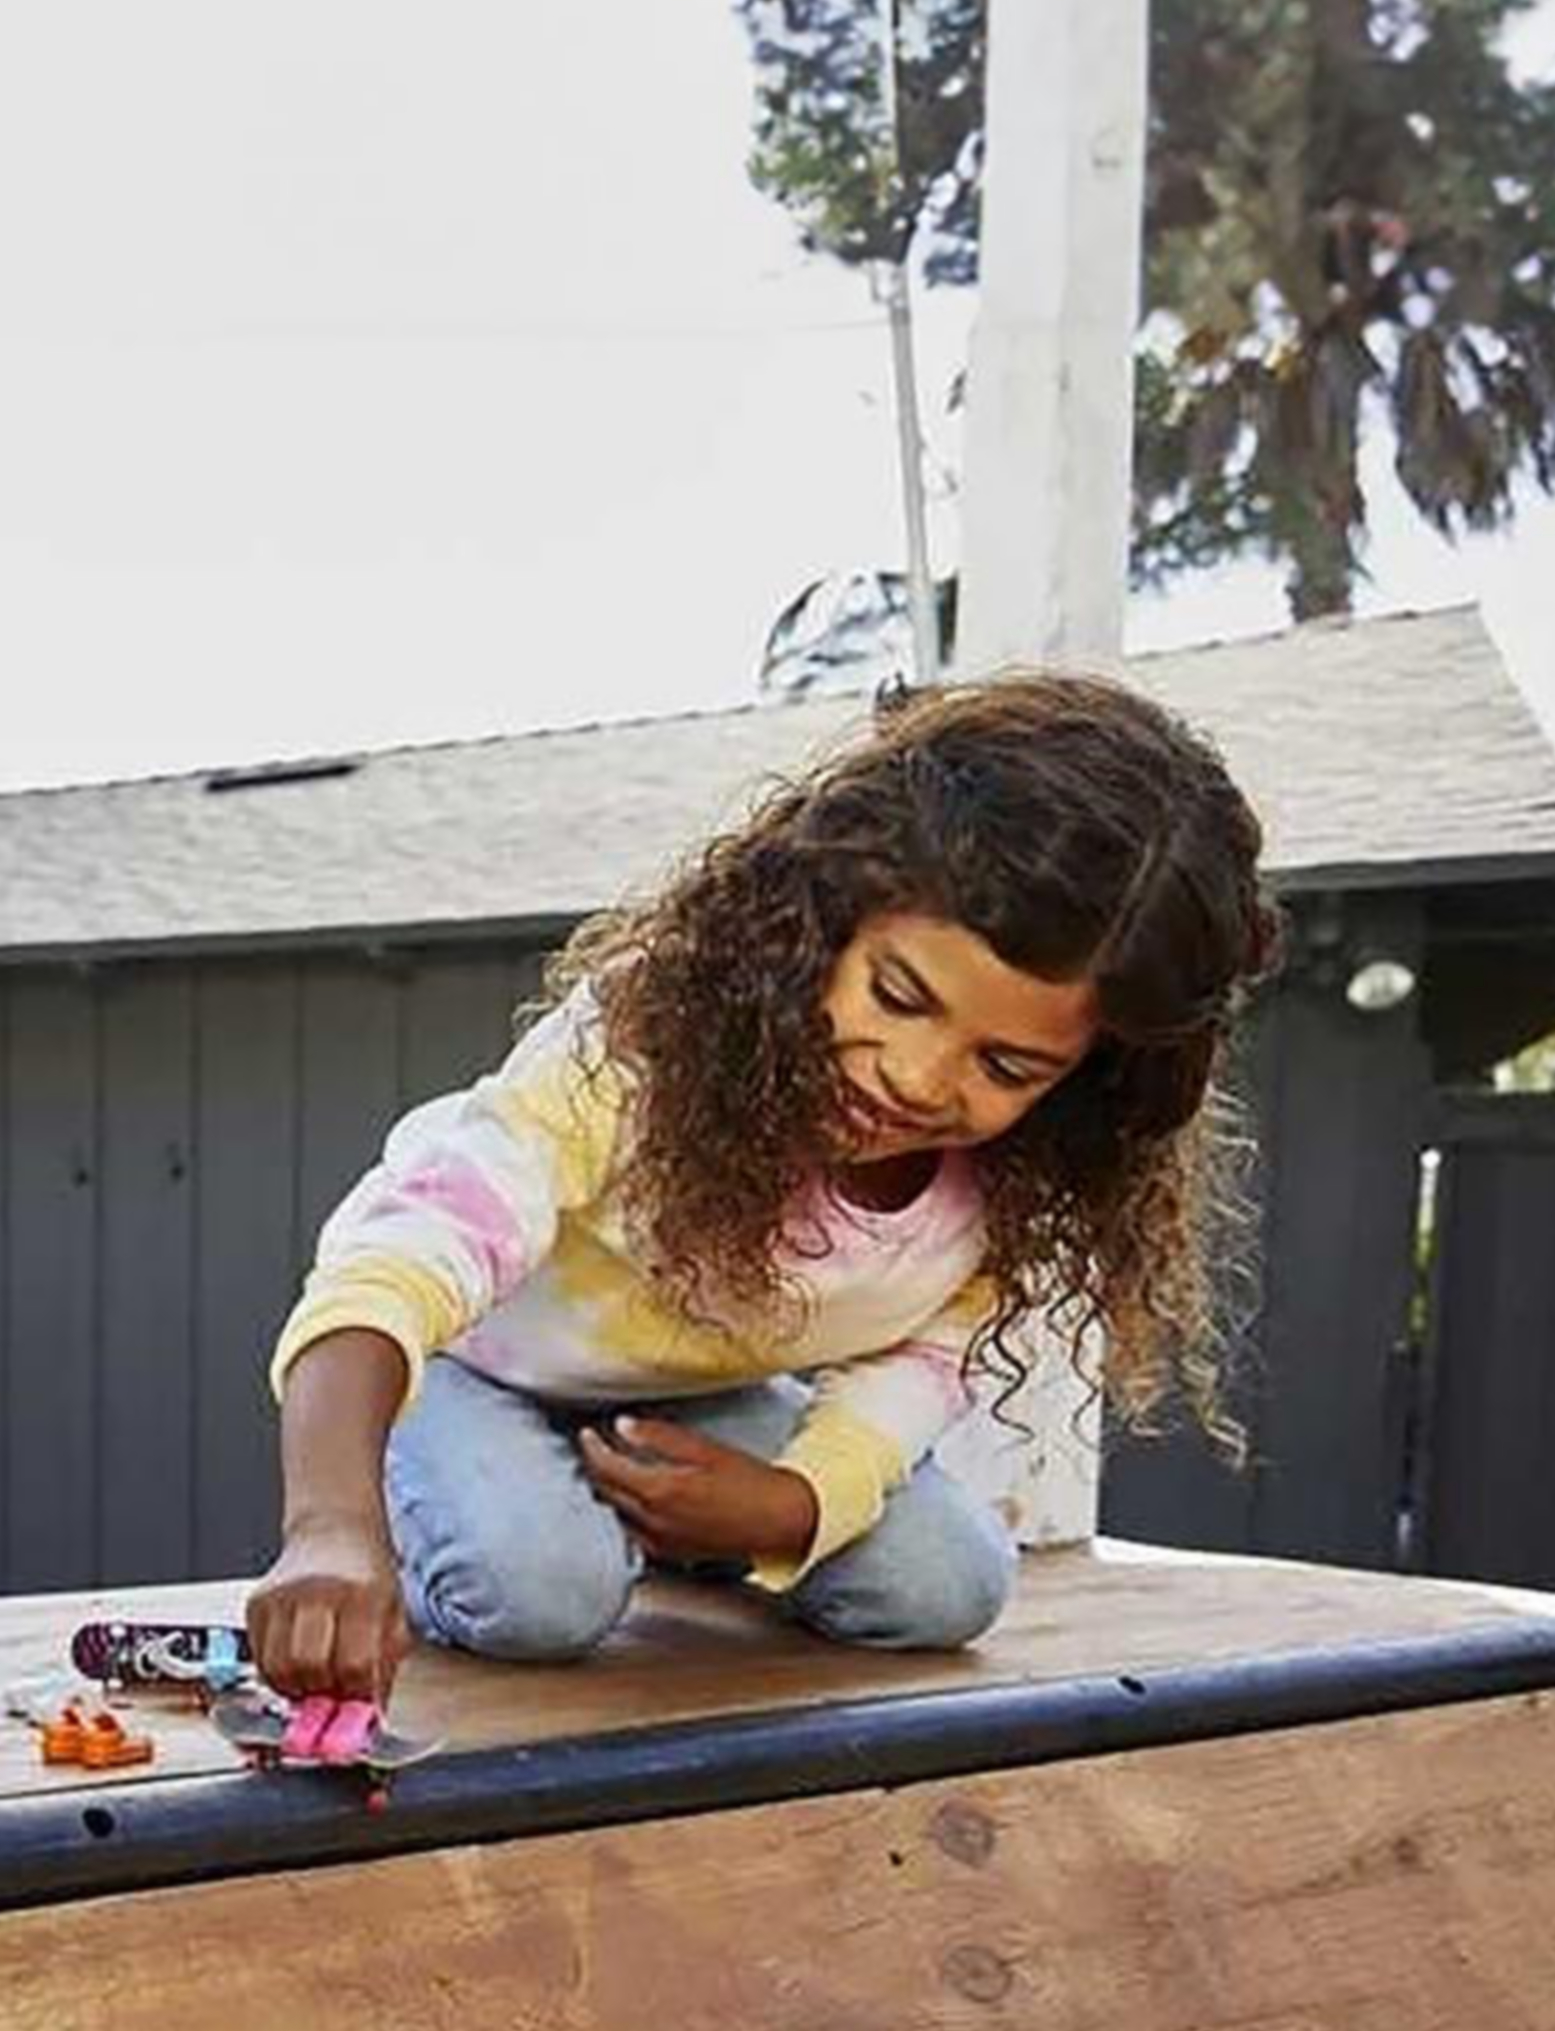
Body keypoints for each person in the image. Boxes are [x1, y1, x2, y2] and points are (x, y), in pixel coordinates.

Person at [250, 669, 1277, 1703]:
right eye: (898, 994)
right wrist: (332, 1528)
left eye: (1006, 1068)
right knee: (542, 1594)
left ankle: (663, 1527)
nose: (918, 1079)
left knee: (948, 1586)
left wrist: (787, 1506)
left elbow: (922, 1364)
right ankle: (472, 1510)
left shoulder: (1010, 1188)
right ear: (829, 917)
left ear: (1086, 1082)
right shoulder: (647, 1047)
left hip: (691, 1398)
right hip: (466, 1366)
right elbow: (397, 1263)